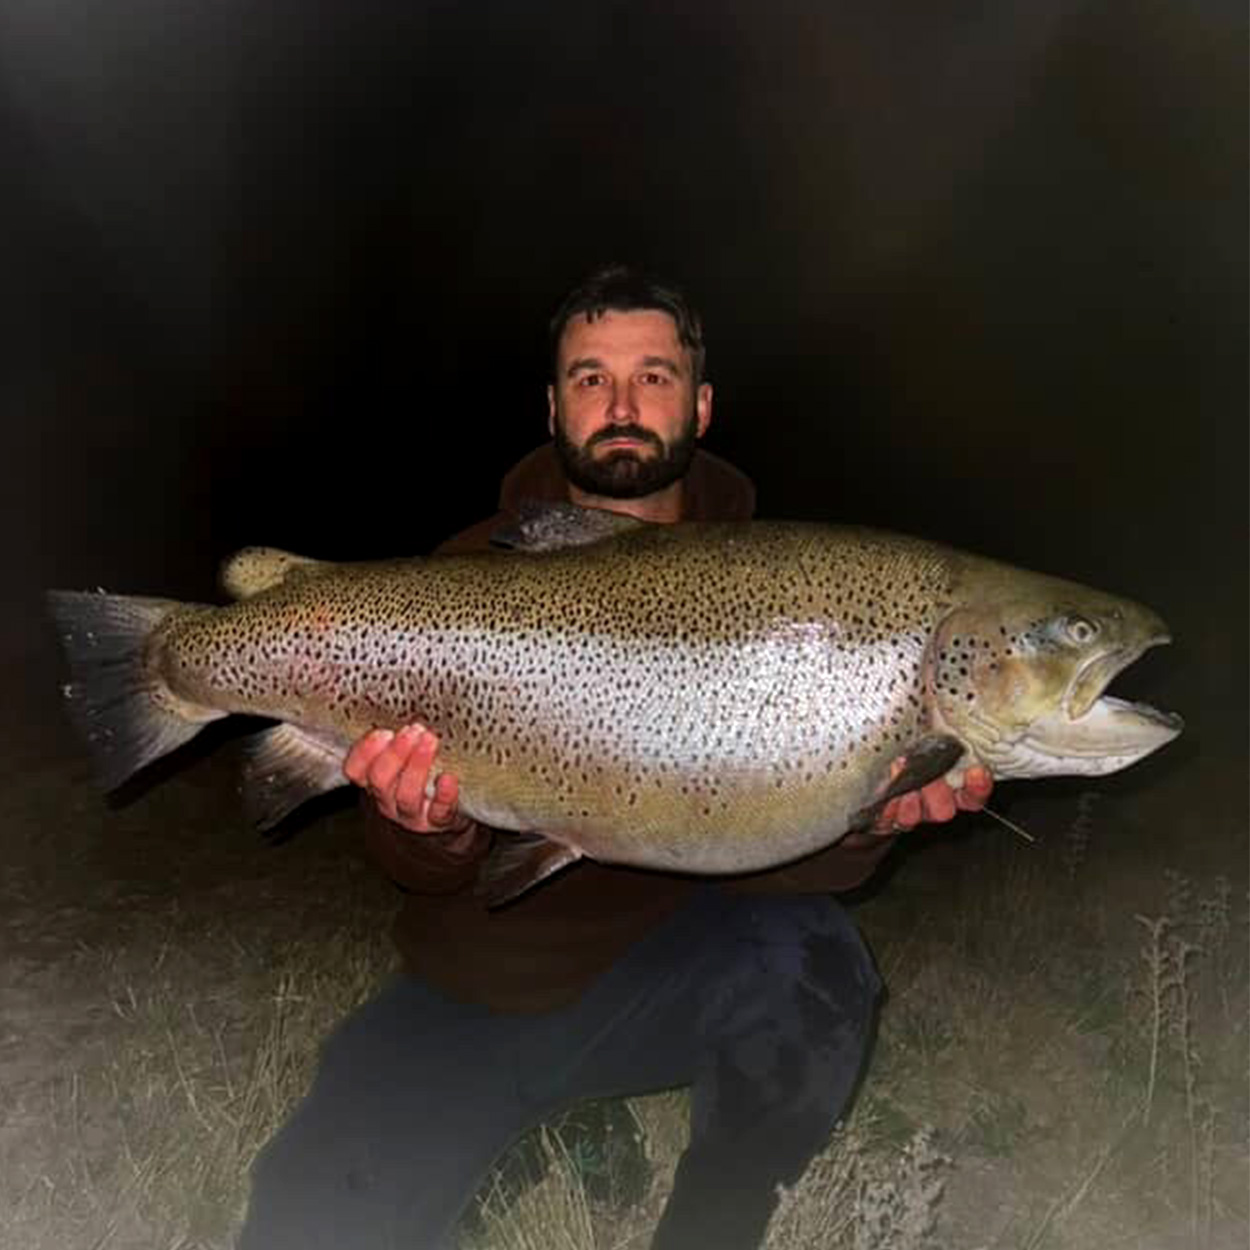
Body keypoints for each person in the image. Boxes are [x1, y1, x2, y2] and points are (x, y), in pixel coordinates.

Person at [239, 266, 992, 1250]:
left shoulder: (788, 582)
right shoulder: (463, 573)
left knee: (814, 965)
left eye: (654, 375)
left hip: (674, 973)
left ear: (701, 403)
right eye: (591, 378)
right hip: (478, 991)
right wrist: (425, 824)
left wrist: (871, 818)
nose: (623, 404)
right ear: (551, 405)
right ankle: (542, 1131)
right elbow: (415, 869)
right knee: (306, 1227)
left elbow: (785, 854)